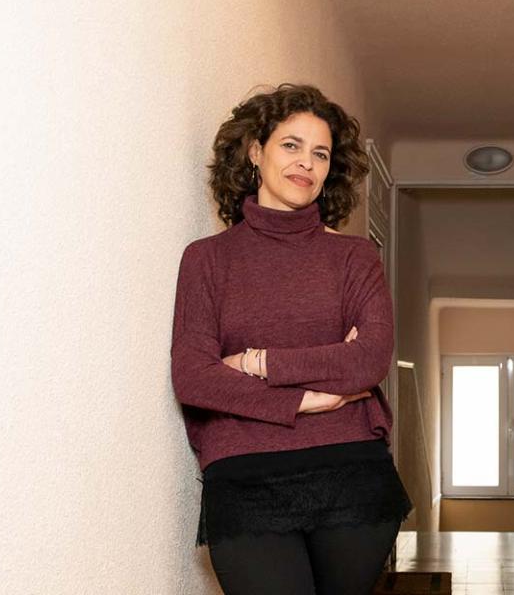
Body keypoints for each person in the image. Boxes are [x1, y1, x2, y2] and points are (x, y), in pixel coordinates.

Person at [171, 84, 411, 595]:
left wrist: (256, 362)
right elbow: (193, 376)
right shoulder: (206, 259)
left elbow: (367, 362)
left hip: (350, 472)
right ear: (256, 151)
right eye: (291, 145)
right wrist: (306, 399)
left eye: (320, 153)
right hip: (243, 473)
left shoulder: (355, 257)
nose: (306, 163)